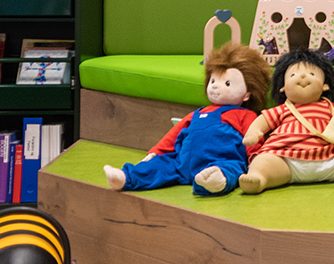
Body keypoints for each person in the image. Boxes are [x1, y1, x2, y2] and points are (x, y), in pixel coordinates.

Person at [103, 43, 272, 196]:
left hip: (221, 160)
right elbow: (173, 135)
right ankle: (127, 177)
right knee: (160, 165)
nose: (215, 86)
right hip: (181, 163)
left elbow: (253, 139)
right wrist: (156, 152)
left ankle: (213, 182)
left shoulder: (245, 115)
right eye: (213, 80)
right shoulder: (198, 113)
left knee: (232, 168)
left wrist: (255, 162)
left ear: (247, 94)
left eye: (227, 83)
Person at [238, 48, 334, 193]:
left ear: (325, 86)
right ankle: (259, 179)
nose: (303, 77)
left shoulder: (330, 107)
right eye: (293, 74)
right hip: (287, 159)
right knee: (265, 161)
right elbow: (263, 120)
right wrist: (254, 132)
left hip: (332, 156)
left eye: (312, 73)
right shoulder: (282, 109)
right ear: (283, 88)